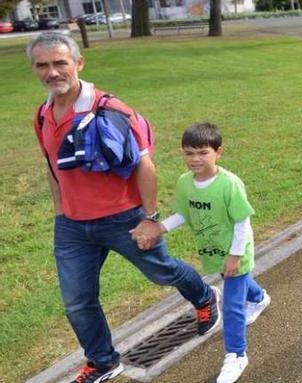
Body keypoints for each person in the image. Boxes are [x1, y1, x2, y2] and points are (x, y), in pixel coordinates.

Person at [27, 32, 218, 383]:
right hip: (72, 226)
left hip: (124, 219)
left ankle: (205, 297)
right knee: (78, 302)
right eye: (42, 65)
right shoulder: (43, 115)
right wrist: (60, 212)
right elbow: (52, 166)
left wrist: (150, 218)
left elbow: (145, 166)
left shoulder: (112, 110)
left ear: (78, 64)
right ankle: (103, 362)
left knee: (164, 273)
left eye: (60, 63)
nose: (52, 72)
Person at [140, 123, 270, 383]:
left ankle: (236, 355)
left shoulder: (230, 184)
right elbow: (183, 214)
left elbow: (242, 222)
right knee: (237, 280)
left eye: (202, 152)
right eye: (189, 153)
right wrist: (159, 229)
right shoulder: (185, 183)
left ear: (218, 152)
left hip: (236, 250)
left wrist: (235, 255)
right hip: (214, 250)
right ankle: (258, 298)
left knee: (232, 306)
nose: (195, 159)